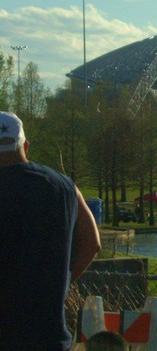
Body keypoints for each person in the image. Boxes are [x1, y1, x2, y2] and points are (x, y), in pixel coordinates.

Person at [0, 111, 102, 351]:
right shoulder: (64, 186)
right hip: (49, 337)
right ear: (26, 145)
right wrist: (62, 281)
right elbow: (92, 243)